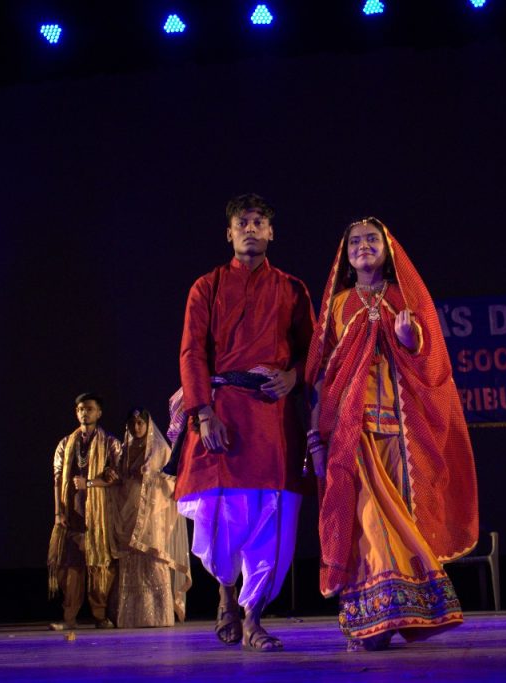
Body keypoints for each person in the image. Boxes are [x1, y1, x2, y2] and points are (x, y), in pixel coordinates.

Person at [305, 217, 479, 651]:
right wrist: (316, 436)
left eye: (371, 240)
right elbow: (323, 373)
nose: (363, 246)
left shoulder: (405, 298)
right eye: (354, 242)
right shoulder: (339, 304)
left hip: (402, 430)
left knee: (403, 520)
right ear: (345, 256)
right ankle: (374, 617)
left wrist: (410, 338)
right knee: (368, 522)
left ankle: (402, 612)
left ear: (387, 250)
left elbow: (433, 364)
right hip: (353, 431)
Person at [173, 193, 315, 652]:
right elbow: (192, 352)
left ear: (271, 232)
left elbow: (314, 351)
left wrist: (293, 377)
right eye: (242, 222)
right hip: (222, 415)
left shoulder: (292, 289)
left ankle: (254, 617)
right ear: (229, 233)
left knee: (272, 516)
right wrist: (203, 413)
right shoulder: (207, 286)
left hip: (273, 420)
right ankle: (226, 594)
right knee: (222, 518)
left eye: (258, 222)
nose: (250, 229)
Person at [107, 407, 192, 627]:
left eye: (140, 423)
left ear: (147, 424)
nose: (136, 428)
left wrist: (151, 477)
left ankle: (159, 616)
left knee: (153, 559)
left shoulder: (160, 450)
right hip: (128, 513)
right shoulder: (124, 450)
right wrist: (113, 476)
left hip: (152, 515)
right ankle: (131, 617)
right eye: (132, 423)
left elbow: (172, 482)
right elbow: (120, 479)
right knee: (131, 561)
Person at [47, 392, 122, 630]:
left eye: (89, 409)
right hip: (72, 513)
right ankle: (69, 618)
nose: (84, 413)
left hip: (99, 515)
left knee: (99, 565)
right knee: (71, 566)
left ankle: (100, 616)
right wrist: (58, 512)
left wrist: (89, 483)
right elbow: (57, 480)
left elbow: (117, 477)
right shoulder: (65, 444)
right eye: (80, 409)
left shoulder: (110, 443)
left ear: (99, 413)